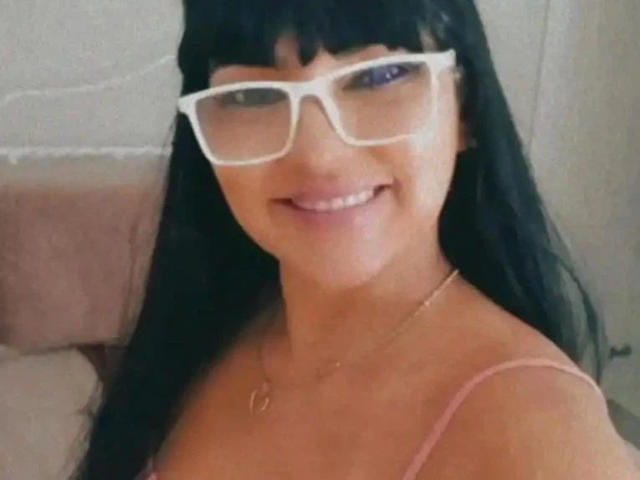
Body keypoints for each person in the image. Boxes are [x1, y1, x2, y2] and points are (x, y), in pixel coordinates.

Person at [72, 0, 639, 478]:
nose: (318, 155)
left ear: (465, 107)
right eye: (253, 95)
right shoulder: (208, 332)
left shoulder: (543, 438)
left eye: (377, 77)